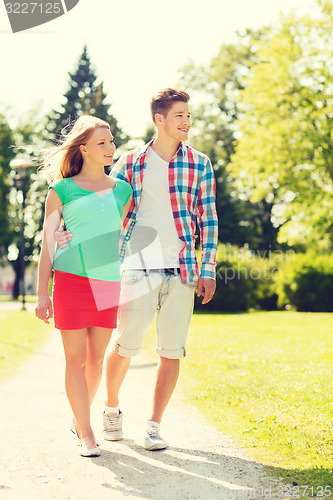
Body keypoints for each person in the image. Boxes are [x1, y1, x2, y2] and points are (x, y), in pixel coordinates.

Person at [56, 88, 218, 451]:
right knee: (126, 346)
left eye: (188, 116)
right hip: (136, 267)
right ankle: (110, 408)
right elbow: (100, 201)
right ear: (159, 119)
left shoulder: (200, 163)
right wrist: (68, 230)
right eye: (179, 116)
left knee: (171, 350)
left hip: (184, 269)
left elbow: (208, 218)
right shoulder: (131, 162)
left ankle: (154, 425)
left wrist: (208, 266)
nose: (186, 122)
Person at [35, 116, 132, 457]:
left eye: (111, 140)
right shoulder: (60, 190)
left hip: (108, 281)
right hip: (71, 281)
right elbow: (48, 244)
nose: (110, 147)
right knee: (75, 361)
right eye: (103, 142)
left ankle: (79, 419)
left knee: (95, 362)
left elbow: (112, 236)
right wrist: (40, 293)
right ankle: (86, 432)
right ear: (84, 149)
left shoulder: (123, 190)